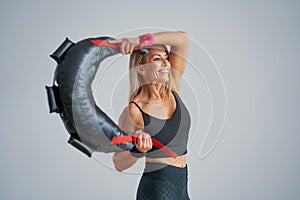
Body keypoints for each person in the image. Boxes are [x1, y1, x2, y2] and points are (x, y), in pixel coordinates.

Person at [109, 31, 191, 200]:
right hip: (158, 188)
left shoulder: (173, 87)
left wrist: (141, 41)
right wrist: (137, 151)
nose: (166, 64)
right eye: (157, 59)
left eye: (166, 58)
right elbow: (118, 162)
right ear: (141, 69)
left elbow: (182, 39)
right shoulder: (134, 111)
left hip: (183, 184)